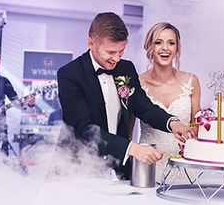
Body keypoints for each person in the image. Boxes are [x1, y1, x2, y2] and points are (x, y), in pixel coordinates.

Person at [57, 12, 192, 180]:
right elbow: (84, 129)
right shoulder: (70, 74)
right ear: (90, 43)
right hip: (77, 168)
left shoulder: (125, 69)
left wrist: (172, 123)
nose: (116, 58)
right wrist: (132, 148)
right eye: (110, 52)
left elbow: (144, 106)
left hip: (118, 169)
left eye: (121, 51)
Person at [136, 22, 201, 181]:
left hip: (183, 168)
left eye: (171, 43)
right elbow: (128, 132)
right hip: (146, 169)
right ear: (150, 46)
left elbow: (198, 127)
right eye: (158, 42)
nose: (165, 48)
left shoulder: (192, 81)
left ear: (177, 48)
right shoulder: (136, 83)